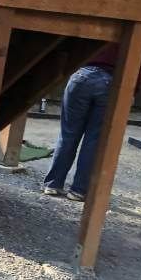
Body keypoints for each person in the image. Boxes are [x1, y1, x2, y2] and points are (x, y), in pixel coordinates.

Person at [43, 43, 121, 201]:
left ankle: (52, 184)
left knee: (68, 134)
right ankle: (78, 190)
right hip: (110, 80)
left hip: (82, 74)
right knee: (93, 140)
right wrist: (134, 89)